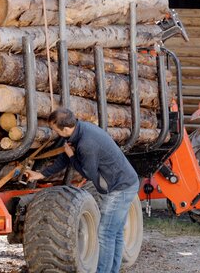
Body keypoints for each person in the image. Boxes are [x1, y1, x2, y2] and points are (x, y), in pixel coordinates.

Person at [26, 107, 139, 273]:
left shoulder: (86, 143)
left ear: (65, 129)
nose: (53, 132)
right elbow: (64, 158)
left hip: (121, 188)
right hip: (124, 182)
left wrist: (72, 156)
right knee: (114, 233)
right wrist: (40, 175)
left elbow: (88, 173)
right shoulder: (79, 130)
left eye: (54, 129)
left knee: (105, 234)